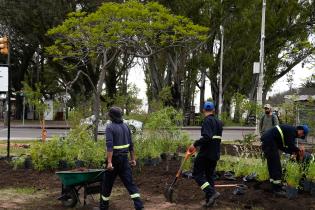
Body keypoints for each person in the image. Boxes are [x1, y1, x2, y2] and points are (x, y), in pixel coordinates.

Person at [98, 107, 144, 210]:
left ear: (112, 116)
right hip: (124, 160)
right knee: (130, 184)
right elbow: (131, 145)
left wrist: (109, 162)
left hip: (114, 161)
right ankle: (139, 206)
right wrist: (133, 159)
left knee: (106, 185)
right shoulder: (126, 127)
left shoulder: (110, 127)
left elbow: (110, 146)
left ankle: (103, 207)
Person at [189, 101, 223, 207]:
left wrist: (195, 144)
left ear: (203, 110)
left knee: (197, 175)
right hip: (215, 153)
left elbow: (207, 137)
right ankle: (210, 201)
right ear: (213, 110)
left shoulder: (207, 121)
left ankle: (212, 193)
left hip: (206, 153)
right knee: (209, 177)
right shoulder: (218, 122)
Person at [261, 124, 309, 197]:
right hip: (269, 142)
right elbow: (290, 145)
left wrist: (292, 152)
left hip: (270, 142)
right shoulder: (292, 131)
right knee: (276, 166)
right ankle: (277, 190)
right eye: (302, 135)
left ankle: (275, 186)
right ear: (301, 130)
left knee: (273, 166)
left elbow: (283, 146)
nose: (300, 137)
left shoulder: (289, 131)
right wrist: (298, 150)